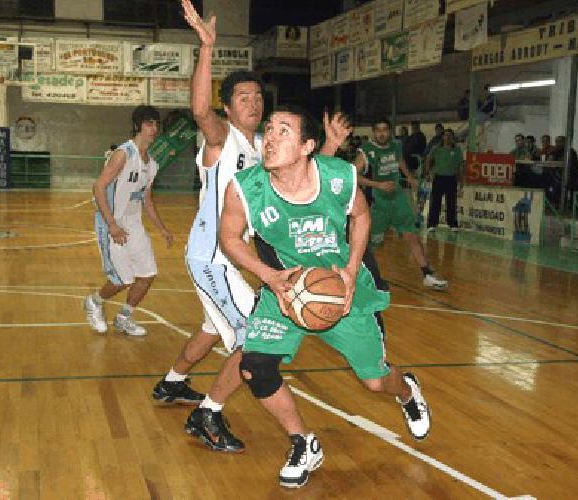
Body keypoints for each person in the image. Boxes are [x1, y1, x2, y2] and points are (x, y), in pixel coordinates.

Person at [152, 0, 352, 454]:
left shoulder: (266, 145)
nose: (253, 103)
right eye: (243, 98)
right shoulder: (222, 139)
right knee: (254, 339)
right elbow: (200, 109)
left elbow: (304, 178)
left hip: (237, 261)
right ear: (228, 107)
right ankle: (209, 414)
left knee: (212, 326)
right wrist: (207, 47)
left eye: (258, 97)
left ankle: (171, 383)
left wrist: (332, 151)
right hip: (213, 258)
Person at [219, 105, 431, 489]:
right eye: (269, 130)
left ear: (307, 146)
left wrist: (351, 268)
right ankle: (303, 442)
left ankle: (407, 390)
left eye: (284, 131)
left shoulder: (340, 176)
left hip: (337, 291)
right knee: (254, 368)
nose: (270, 137)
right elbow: (229, 238)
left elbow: (361, 217)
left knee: (375, 382)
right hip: (283, 287)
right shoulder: (244, 187)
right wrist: (269, 276)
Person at [84, 105, 174, 336]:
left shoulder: (151, 164)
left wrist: (162, 229)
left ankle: (124, 317)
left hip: (134, 224)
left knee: (147, 274)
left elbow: (147, 201)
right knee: (122, 279)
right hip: (112, 222)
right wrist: (112, 225)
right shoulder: (124, 154)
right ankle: (94, 301)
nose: (153, 129)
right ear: (138, 126)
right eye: (148, 123)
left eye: (156, 124)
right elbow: (99, 188)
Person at [355, 117, 449, 290]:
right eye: (378, 130)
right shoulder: (366, 151)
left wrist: (409, 177)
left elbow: (400, 161)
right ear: (374, 132)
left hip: (398, 198)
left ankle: (427, 274)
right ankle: (359, 275)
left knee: (411, 235)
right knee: (373, 244)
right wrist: (378, 184)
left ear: (390, 131)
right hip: (378, 201)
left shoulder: (396, 145)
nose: (382, 133)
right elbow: (353, 174)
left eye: (385, 130)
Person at [424, 128, 463, 231]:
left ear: (452, 137)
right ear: (443, 137)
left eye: (450, 135)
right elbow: (428, 159)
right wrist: (428, 173)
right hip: (439, 178)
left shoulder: (457, 149)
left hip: (451, 178)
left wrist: (461, 181)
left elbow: (460, 165)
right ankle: (432, 224)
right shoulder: (436, 148)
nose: (448, 137)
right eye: (446, 135)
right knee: (435, 202)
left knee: (451, 202)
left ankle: (453, 225)